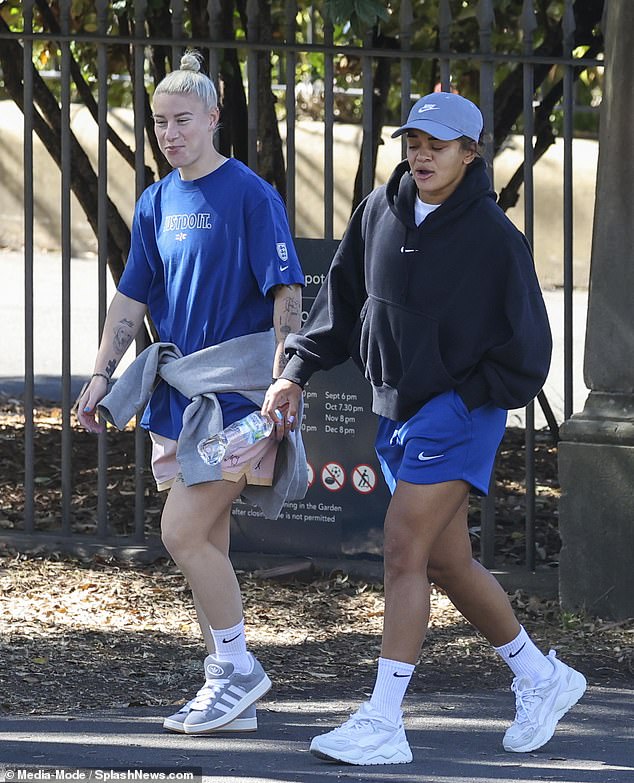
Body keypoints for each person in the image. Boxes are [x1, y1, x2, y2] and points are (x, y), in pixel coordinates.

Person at [263, 91, 586, 765]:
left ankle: (383, 720)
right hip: (397, 410)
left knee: (402, 548)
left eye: (439, 144)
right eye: (414, 141)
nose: (422, 154)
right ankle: (540, 675)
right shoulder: (380, 210)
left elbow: (529, 352)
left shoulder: (496, 238)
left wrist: (466, 400)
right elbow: (342, 299)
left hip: (461, 412)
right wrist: (294, 370)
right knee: (446, 560)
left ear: (472, 153)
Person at [76, 50, 305, 735]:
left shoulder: (251, 194)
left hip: (236, 399)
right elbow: (130, 299)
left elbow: (286, 295)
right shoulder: (154, 201)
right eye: (159, 123)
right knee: (209, 539)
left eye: (182, 120)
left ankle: (235, 669)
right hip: (178, 395)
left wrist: (283, 377)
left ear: (213, 117)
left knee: (180, 531)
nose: (170, 134)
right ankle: (231, 697)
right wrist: (99, 372)